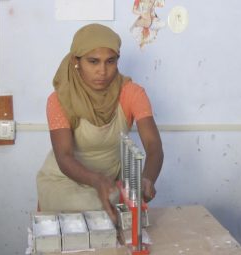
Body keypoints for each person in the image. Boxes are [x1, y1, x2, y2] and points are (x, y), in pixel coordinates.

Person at [36, 23, 164, 225]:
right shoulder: (60, 99)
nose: (102, 71)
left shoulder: (131, 93)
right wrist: (97, 181)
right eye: (93, 62)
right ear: (76, 61)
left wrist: (147, 179)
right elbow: (64, 157)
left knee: (116, 215)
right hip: (64, 182)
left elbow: (154, 146)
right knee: (96, 212)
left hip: (108, 182)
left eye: (110, 62)